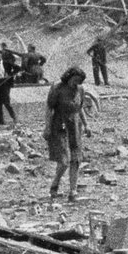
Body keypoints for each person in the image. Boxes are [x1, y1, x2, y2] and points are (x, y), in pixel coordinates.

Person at [45, 66, 86, 200]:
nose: (76, 83)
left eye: (79, 81)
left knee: (76, 159)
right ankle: (55, 183)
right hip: (60, 125)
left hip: (75, 126)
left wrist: (87, 125)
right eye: (75, 80)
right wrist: (47, 127)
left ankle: (73, 191)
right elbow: (49, 109)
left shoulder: (80, 90)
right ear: (69, 77)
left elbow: (80, 109)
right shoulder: (57, 89)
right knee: (64, 161)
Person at [0, 43, 17, 125]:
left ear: (1, 55)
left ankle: (14, 117)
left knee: (6, 102)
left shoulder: (7, 63)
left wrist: (11, 75)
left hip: (6, 84)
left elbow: (17, 68)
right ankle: (0, 121)